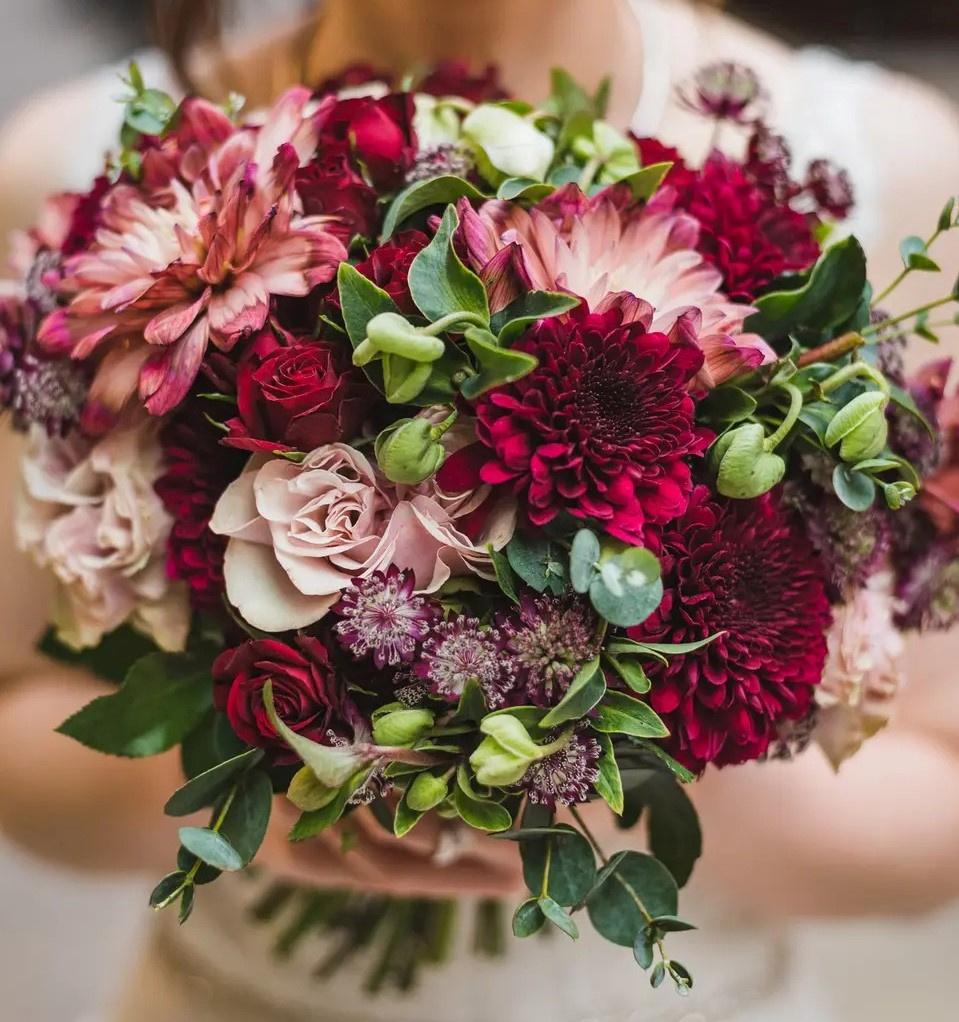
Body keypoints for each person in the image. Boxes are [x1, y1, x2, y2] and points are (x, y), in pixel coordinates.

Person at [0, 1, 958, 1020]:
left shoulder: (881, 156)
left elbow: (930, 811)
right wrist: (281, 793)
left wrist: (610, 761)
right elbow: (22, 730)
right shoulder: (82, 164)